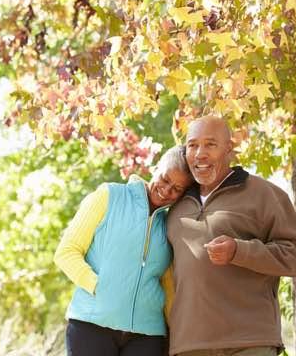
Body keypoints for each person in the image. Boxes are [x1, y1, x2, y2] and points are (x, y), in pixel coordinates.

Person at [166, 116, 296, 356]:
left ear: (228, 149)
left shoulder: (264, 194)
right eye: (192, 145)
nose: (200, 153)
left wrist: (239, 251)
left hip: (249, 341)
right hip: (189, 344)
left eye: (210, 144)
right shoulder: (175, 203)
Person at [54, 145, 193, 356]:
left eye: (177, 189)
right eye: (165, 179)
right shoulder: (109, 196)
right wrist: (98, 286)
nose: (166, 191)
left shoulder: (169, 223)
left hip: (147, 334)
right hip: (92, 325)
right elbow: (66, 252)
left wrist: (175, 328)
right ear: (155, 168)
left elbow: (166, 282)